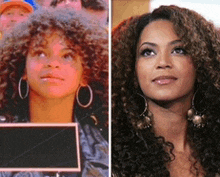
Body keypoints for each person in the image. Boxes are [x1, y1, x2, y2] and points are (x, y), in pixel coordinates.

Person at [112, 5, 220, 177]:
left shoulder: (215, 147)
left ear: (201, 62)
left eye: (178, 50)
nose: (163, 62)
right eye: (148, 52)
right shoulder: (109, 155)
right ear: (133, 69)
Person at [0, 7, 108, 177]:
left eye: (68, 56)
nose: (53, 63)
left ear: (85, 74)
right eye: (40, 53)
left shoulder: (108, 145)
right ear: (23, 70)